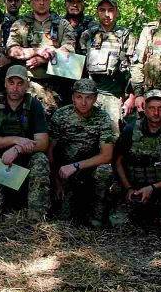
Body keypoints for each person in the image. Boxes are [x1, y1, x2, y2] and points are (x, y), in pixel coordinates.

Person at [0, 65, 51, 220]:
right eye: (11, 83)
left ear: (27, 85)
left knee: (40, 160)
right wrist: (15, 139)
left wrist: (17, 149)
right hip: (0, 162)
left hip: (25, 161)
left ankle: (36, 213)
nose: (15, 88)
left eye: (20, 83)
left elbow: (43, 143)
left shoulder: (34, 105)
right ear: (5, 83)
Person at [114, 90, 161, 226]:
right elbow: (117, 162)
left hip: (160, 190)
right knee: (119, 223)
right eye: (151, 108)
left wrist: (152, 188)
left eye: (160, 109)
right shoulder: (130, 130)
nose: (156, 113)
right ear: (144, 109)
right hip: (133, 189)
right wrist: (128, 188)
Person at [49, 79, 115, 227]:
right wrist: (56, 182)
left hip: (88, 169)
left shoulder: (102, 118)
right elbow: (50, 151)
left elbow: (107, 155)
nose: (83, 102)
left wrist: (76, 166)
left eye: (89, 98)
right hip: (64, 172)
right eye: (79, 97)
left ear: (95, 98)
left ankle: (97, 215)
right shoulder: (60, 115)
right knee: (64, 219)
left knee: (105, 170)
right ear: (73, 97)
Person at [7, 0, 76, 113]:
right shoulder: (20, 24)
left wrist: (43, 59)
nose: (42, 3)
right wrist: (37, 51)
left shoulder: (62, 24)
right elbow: (12, 50)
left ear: (50, 0)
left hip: (55, 86)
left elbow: (70, 50)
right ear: (31, 1)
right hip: (25, 85)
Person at [79, 0, 136, 132]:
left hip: (115, 95)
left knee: (113, 135)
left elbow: (134, 68)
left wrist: (131, 97)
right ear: (97, 12)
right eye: (102, 10)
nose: (106, 14)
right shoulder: (88, 35)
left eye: (111, 10)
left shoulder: (126, 36)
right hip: (90, 94)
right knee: (88, 134)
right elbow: (79, 67)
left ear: (116, 12)